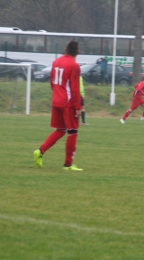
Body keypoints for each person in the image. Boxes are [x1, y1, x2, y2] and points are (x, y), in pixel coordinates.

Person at [33, 40, 83, 171]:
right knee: (72, 132)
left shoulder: (56, 62)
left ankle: (40, 151)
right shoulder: (75, 65)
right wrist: (78, 107)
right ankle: (68, 164)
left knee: (60, 130)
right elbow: (75, 88)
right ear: (78, 52)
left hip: (56, 100)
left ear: (65, 49)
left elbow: (52, 82)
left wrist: (56, 95)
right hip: (68, 103)